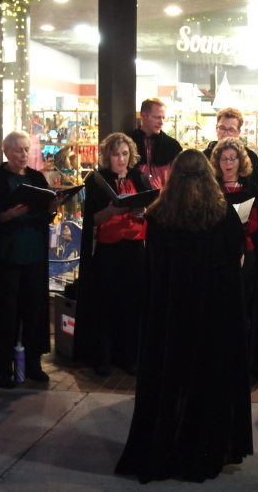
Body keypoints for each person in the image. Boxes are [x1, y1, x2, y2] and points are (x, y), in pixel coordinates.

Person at [115, 149, 252, 484]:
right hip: (211, 316)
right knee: (206, 383)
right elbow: (237, 259)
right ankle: (201, 452)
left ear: (173, 177)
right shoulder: (222, 215)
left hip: (170, 317)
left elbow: (152, 267)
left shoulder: (159, 216)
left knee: (169, 382)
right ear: (208, 175)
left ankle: (164, 447)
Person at [0, 131, 58, 389]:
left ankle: (33, 364)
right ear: (6, 152)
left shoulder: (36, 178)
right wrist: (6, 216)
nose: (24, 155)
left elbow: (44, 216)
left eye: (26, 150)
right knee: (8, 311)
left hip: (34, 253)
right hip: (7, 254)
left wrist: (52, 209)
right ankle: (3, 368)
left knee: (34, 310)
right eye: (18, 150)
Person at [73, 133, 151, 377]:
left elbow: (151, 207)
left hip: (135, 248)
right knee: (106, 305)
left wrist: (143, 211)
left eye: (125, 154)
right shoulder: (97, 179)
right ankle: (103, 358)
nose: (121, 159)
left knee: (132, 305)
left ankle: (129, 358)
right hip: (108, 248)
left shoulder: (138, 176)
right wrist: (110, 209)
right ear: (107, 155)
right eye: (116, 154)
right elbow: (92, 219)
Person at [210, 137, 258, 381]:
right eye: (223, 158)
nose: (228, 163)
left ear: (240, 161)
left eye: (233, 158)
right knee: (221, 310)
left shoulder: (250, 188)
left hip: (247, 253)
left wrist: (240, 226)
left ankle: (244, 361)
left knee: (243, 308)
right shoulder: (212, 187)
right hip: (219, 256)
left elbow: (255, 224)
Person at [203, 107, 258, 190]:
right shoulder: (205, 157)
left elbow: (256, 193)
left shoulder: (251, 157)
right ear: (216, 128)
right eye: (222, 128)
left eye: (231, 130)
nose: (226, 134)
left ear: (238, 132)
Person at [130, 97, 182, 190]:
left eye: (163, 118)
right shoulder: (129, 143)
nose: (161, 122)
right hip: (136, 201)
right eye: (157, 117)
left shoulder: (173, 146)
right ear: (143, 116)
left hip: (164, 201)